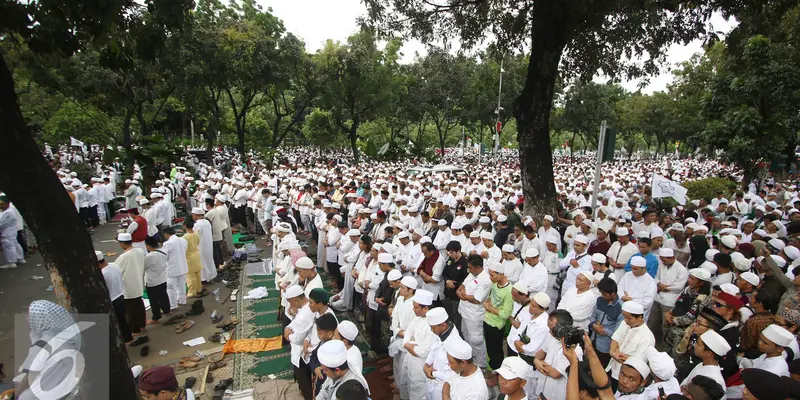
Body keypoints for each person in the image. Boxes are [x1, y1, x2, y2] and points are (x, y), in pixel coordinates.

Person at [606, 301, 655, 392]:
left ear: (640, 317)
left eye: (629, 318)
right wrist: (612, 352)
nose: (625, 320)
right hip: (613, 366)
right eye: (624, 317)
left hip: (626, 378)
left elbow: (638, 362)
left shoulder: (647, 337)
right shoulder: (625, 323)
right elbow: (616, 338)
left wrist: (618, 355)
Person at [534, 309, 582, 399]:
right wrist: (536, 361)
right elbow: (539, 355)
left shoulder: (574, 348)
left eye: (552, 329)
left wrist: (538, 363)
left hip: (556, 394)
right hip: (542, 390)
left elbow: (555, 373)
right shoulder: (552, 337)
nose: (549, 332)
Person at [399, 290, 437, 400]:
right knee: (405, 383)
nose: (413, 310)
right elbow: (407, 334)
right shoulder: (417, 318)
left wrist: (409, 345)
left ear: (425, 308)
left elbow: (422, 351)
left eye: (416, 307)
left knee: (417, 392)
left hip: (420, 364)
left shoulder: (433, 325)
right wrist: (411, 344)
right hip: (410, 358)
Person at [457, 254, 491, 369]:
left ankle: (482, 365)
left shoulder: (485, 280)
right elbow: (462, 286)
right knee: (466, 336)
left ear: (477, 267)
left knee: (476, 340)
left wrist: (464, 296)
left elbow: (477, 300)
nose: (469, 270)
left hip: (474, 315)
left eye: (470, 268)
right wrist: (459, 292)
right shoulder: (472, 274)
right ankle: (471, 359)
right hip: (464, 312)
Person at [650, 247, 689, 347]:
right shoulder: (661, 265)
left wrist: (665, 287)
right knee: (653, 322)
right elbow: (656, 277)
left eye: (664, 259)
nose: (662, 261)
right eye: (661, 259)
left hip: (670, 301)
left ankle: (664, 345)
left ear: (671, 257)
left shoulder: (682, 270)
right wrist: (659, 284)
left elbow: (679, 286)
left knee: (665, 325)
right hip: (658, 298)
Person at [115, 232, 148, 343]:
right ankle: (142, 325)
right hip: (138, 281)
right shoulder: (139, 251)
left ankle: (136, 329)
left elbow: (116, 270)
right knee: (139, 305)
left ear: (122, 244)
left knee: (130, 310)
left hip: (128, 286)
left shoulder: (124, 257)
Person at [284, 285, 315, 400]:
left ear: (295, 299)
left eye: (290, 302)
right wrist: (288, 328)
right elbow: (294, 323)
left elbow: (298, 338)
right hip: (298, 350)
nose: (290, 306)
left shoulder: (306, 313)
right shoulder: (304, 308)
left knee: (305, 382)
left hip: (301, 353)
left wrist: (288, 335)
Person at [424, 307, 461, 400]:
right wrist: (426, 364)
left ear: (443, 325)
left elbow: (454, 374)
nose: (431, 330)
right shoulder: (442, 333)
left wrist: (432, 373)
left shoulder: (456, 345)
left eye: (433, 328)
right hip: (432, 384)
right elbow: (434, 348)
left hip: (443, 389)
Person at [97, 250, 133, 344]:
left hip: (113, 299)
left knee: (117, 322)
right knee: (123, 320)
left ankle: (123, 339)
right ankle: (128, 338)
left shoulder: (103, 274)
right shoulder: (114, 265)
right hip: (121, 295)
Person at [590, 278, 623, 367]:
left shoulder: (621, 308)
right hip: (593, 340)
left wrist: (603, 330)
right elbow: (593, 316)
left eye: (604, 294)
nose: (602, 296)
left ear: (613, 293)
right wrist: (594, 325)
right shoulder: (600, 300)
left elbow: (618, 332)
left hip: (605, 347)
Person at [617, 256, 657, 320]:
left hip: (636, 316)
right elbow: (619, 289)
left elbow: (647, 303)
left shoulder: (650, 282)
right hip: (622, 310)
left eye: (635, 269)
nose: (633, 270)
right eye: (632, 268)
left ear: (644, 268)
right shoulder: (627, 275)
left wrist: (630, 300)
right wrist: (622, 296)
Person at [441, 240, 469, 329]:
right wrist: (447, 281)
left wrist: (454, 284)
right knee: (448, 318)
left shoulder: (465, 263)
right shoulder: (450, 260)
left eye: (452, 252)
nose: (450, 254)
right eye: (449, 252)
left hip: (456, 296)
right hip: (448, 294)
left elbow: (466, 280)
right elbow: (444, 273)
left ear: (458, 251)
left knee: (457, 321)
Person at [143, 237, 170, 325]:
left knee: (153, 301)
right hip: (162, 278)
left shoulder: (149, 256)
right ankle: (166, 310)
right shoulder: (163, 252)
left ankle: (156, 318)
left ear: (148, 246)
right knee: (163, 296)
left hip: (152, 282)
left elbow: (143, 267)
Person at [161, 226, 189, 310]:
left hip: (172, 268)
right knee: (182, 284)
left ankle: (173, 305)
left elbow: (164, 256)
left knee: (171, 288)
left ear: (166, 234)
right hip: (182, 266)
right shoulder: (183, 240)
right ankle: (182, 300)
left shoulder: (168, 244)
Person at [190, 207, 217, 284]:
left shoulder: (197, 225)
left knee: (202, 262)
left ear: (196, 215)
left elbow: (193, 236)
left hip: (201, 246)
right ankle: (210, 275)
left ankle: (204, 278)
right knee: (208, 260)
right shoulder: (207, 222)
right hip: (208, 244)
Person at [0, 196, 24, 269]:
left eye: (2, 204)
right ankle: (20, 258)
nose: (1, 205)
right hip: (11, 230)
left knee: (8, 245)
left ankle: (11, 262)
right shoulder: (7, 210)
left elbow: (1, 223)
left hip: (8, 231)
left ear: (7, 204)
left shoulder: (8, 212)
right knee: (15, 244)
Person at [182, 219, 204, 298]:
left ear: (185, 226)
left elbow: (184, 247)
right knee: (197, 273)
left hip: (189, 256)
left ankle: (192, 292)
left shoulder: (185, 237)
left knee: (190, 275)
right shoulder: (196, 233)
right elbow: (198, 242)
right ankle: (198, 289)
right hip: (196, 253)